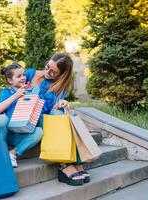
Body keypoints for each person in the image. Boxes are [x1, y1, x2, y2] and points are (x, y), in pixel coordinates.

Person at [24, 53, 90, 186]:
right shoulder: (30, 74)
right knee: (56, 118)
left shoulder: (59, 86)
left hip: (49, 121)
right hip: (30, 118)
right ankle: (66, 164)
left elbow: (58, 106)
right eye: (47, 67)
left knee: (57, 113)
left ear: (62, 75)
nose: (48, 72)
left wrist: (64, 103)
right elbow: (13, 90)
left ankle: (72, 162)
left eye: (53, 72)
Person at [0, 62, 43, 168]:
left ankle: (12, 154)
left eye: (23, 75)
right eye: (19, 76)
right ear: (10, 80)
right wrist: (16, 95)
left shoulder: (29, 92)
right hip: (6, 133)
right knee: (2, 119)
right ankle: (1, 152)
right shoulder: (6, 92)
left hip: (19, 134)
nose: (23, 78)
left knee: (39, 131)